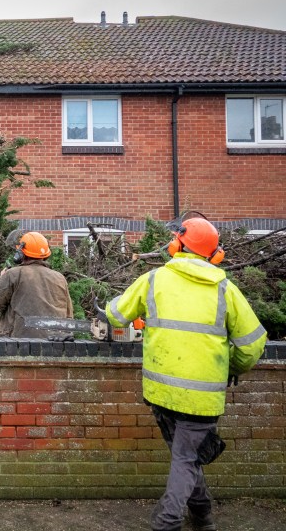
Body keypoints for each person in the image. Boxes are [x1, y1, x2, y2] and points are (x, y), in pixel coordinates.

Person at [105, 217, 267, 531]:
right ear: (213, 253)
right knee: (187, 458)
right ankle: (199, 517)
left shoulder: (155, 279)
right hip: (203, 398)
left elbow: (117, 315)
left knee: (185, 458)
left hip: (161, 393)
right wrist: (233, 366)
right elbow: (253, 343)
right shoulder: (224, 288)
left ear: (177, 245)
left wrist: (110, 306)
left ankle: (170, 522)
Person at [0, 231, 74, 337]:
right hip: (55, 341)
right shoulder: (59, 278)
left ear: (20, 253)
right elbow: (69, 314)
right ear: (46, 255)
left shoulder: (13, 274)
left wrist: (1, 278)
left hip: (17, 341)